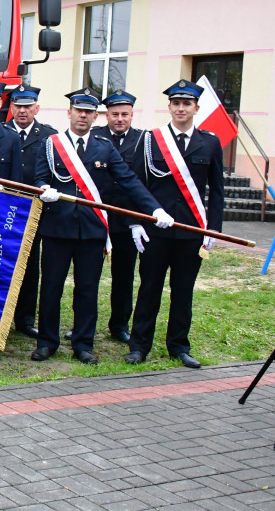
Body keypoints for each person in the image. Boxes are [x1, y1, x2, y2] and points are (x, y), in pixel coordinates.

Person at [33, 89, 172, 365]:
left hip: (91, 230)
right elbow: (39, 177)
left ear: (95, 116)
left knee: (87, 289)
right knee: (50, 288)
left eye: (88, 112)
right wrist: (43, 188)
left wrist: (154, 208)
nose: (82, 116)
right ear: (69, 112)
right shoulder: (50, 144)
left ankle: (83, 344)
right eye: (78, 110)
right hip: (58, 228)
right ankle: (47, 342)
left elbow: (130, 180)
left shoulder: (103, 147)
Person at [125, 80, 224, 369]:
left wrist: (213, 229)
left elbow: (217, 190)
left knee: (183, 291)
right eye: (176, 103)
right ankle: (139, 345)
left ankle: (179, 347)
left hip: (192, 232)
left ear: (196, 108)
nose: (181, 108)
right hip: (157, 231)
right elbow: (136, 184)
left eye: (187, 104)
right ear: (169, 107)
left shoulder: (210, 142)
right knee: (149, 289)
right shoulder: (149, 140)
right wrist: (135, 222)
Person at [91, 89, 146, 343]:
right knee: (88, 275)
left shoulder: (144, 141)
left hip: (127, 220)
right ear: (107, 115)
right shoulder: (94, 137)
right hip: (96, 217)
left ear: (132, 115)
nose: (120, 119)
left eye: (125, 114)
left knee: (124, 275)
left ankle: (120, 324)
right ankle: (84, 324)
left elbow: (142, 183)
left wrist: (139, 219)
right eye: (115, 114)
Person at [3, 85, 57, 339]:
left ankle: (24, 319)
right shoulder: (0, 133)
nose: (22, 110)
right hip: (2, 209)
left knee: (30, 265)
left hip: (34, 210)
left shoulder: (49, 136)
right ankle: (0, 315)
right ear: (11, 107)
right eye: (18, 106)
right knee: (0, 262)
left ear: (37, 108)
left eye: (27, 106)